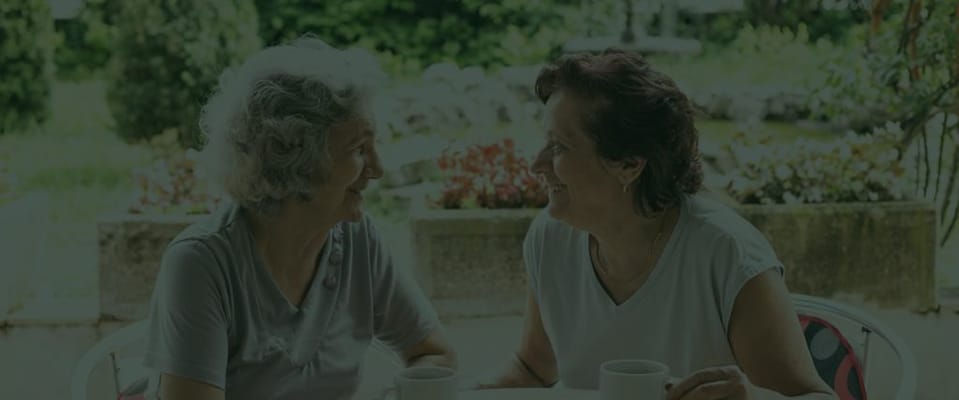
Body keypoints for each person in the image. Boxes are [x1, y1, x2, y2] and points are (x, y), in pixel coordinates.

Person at [477, 49, 838, 400]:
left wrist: (753, 398)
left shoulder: (727, 255)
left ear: (629, 165)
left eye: (558, 147)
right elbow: (533, 369)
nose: (536, 164)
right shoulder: (550, 238)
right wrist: (463, 392)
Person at [142, 37, 456, 400]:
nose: (378, 169)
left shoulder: (358, 239)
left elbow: (435, 355)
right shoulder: (201, 264)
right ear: (295, 162)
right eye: (358, 149)